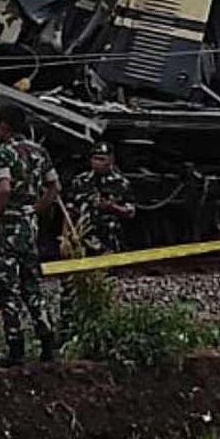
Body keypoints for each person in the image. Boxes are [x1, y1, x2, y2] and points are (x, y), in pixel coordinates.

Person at [0, 104, 60, 367]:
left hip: (8, 227)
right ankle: (48, 343)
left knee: (6, 287)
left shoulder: (3, 153)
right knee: (32, 286)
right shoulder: (39, 152)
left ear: (4, 124)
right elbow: (54, 187)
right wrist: (36, 209)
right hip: (30, 227)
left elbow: (4, 189)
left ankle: (15, 348)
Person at [59, 142, 135, 341]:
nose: (98, 163)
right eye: (95, 159)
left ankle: (100, 331)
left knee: (102, 287)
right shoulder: (80, 181)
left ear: (111, 160)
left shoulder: (121, 184)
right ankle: (68, 330)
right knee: (70, 287)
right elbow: (69, 211)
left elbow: (130, 212)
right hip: (82, 241)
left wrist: (112, 208)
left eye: (102, 159)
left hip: (106, 242)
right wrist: (65, 238)